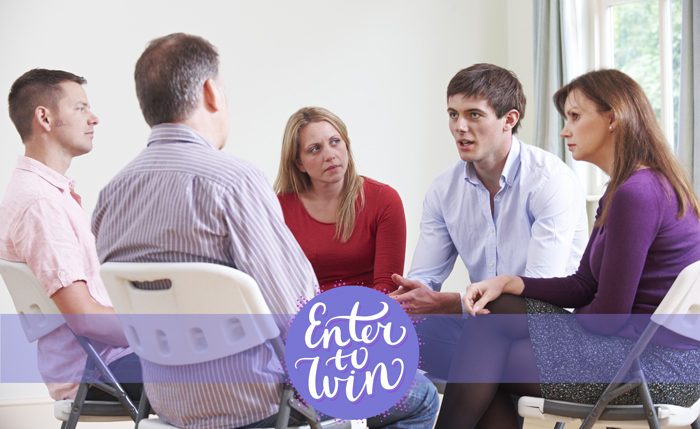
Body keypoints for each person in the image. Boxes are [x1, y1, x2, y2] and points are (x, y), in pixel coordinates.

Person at [92, 33, 437, 429]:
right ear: (211, 93)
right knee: (422, 395)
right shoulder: (234, 183)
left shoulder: (110, 197)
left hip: (168, 403)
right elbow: (295, 313)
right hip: (262, 405)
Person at [435, 69, 700, 429]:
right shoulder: (625, 188)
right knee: (491, 320)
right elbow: (583, 284)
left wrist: (556, 329)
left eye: (575, 117)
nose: (564, 130)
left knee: (484, 355)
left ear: (613, 118)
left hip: (656, 369)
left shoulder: (637, 194)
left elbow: (609, 315)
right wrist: (510, 282)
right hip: (644, 356)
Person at [390, 63, 589, 378]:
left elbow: (538, 298)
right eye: (453, 114)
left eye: (474, 115)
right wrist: (414, 297)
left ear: (509, 120)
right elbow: (425, 279)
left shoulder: (550, 180)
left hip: (549, 334)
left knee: (488, 352)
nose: (459, 127)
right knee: (395, 337)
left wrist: (447, 303)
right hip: (483, 328)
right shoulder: (444, 189)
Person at [0, 69, 141, 402]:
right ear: (45, 118)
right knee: (237, 366)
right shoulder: (40, 204)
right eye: (80, 108)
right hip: (101, 373)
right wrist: (156, 332)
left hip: (107, 364)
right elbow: (84, 316)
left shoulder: (47, 195)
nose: (94, 118)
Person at [274, 106, 406, 294]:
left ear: (346, 144)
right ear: (299, 163)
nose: (330, 155)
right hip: (308, 317)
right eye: (315, 149)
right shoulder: (278, 209)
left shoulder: (384, 200)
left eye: (335, 141)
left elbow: (388, 286)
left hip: (370, 316)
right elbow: (276, 286)